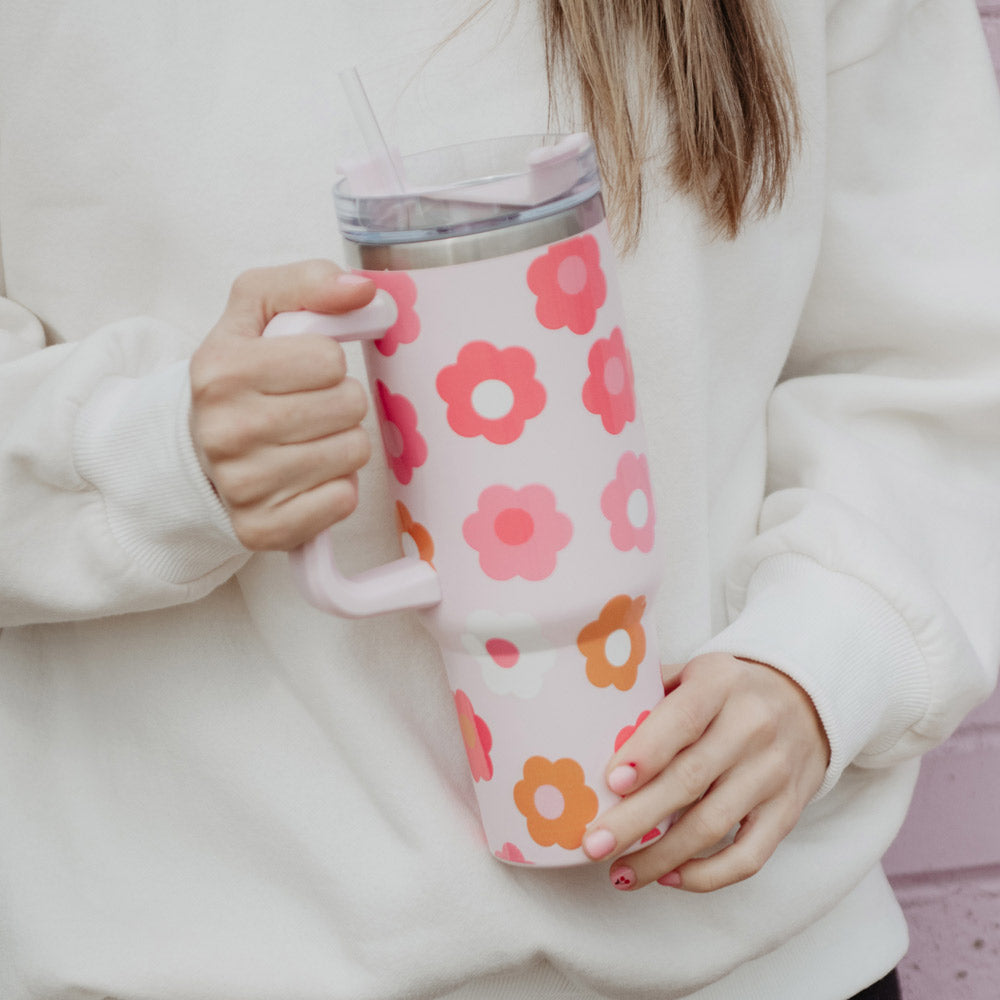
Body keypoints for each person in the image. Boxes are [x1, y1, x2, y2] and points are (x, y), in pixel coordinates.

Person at [1, 1, 998, 998]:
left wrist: (826, 654)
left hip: (750, 958)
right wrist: (143, 448)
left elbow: (948, 360)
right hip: (196, 958)